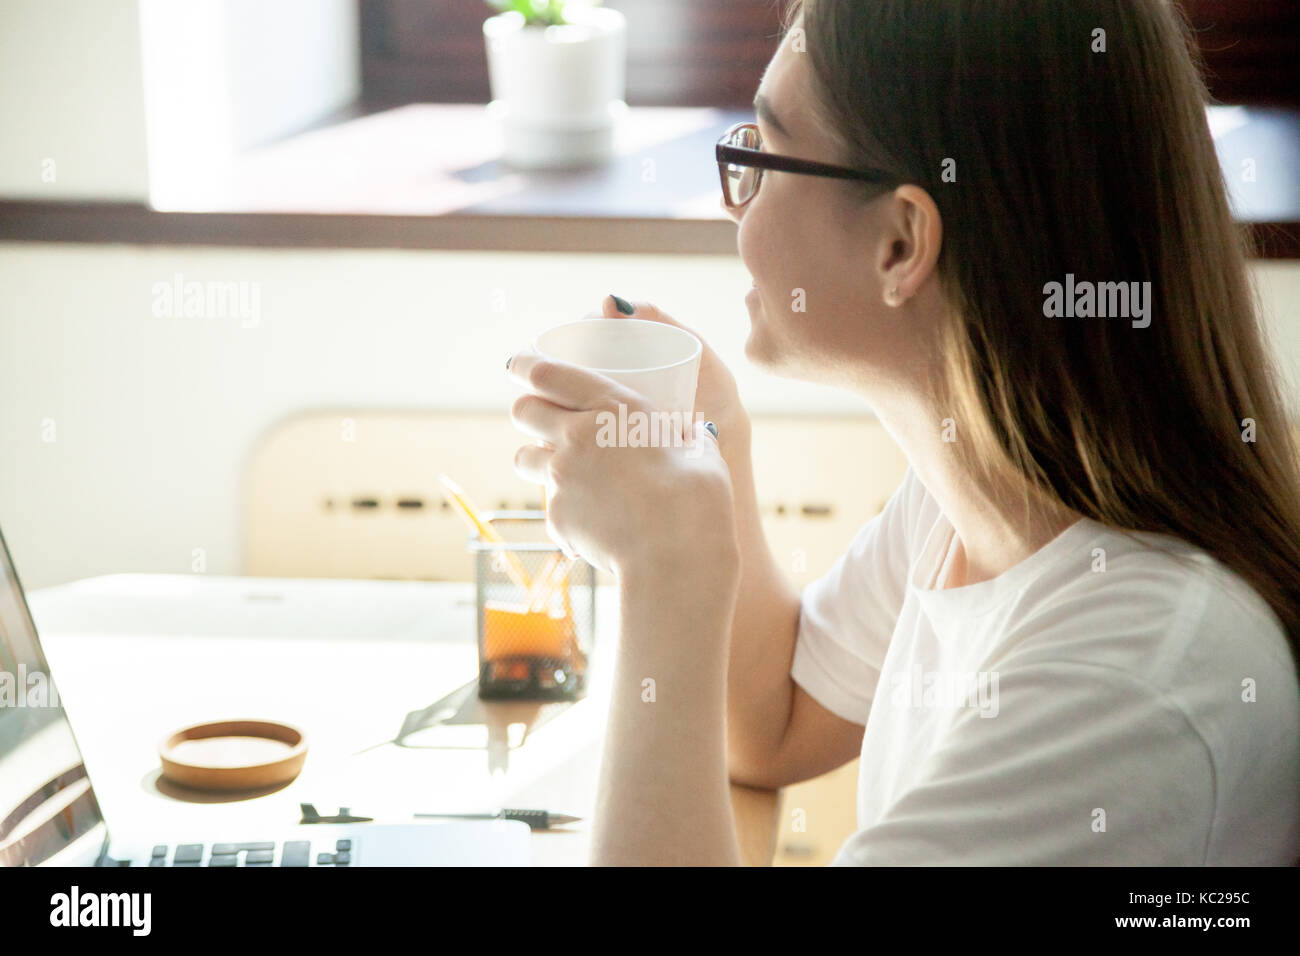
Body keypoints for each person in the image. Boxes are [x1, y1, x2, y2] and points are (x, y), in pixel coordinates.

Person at [506, 0, 1300, 865]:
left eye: (762, 157)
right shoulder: (975, 491)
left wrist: (667, 569)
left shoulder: (1129, 679)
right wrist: (712, 447)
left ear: (901, 242)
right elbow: (770, 726)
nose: (736, 203)